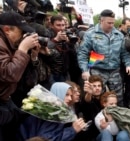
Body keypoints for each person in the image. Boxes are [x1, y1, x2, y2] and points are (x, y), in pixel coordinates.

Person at [77, 9, 130, 107]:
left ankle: (118, 119)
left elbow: (124, 53)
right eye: (109, 23)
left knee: (118, 98)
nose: (111, 25)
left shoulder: (118, 35)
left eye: (113, 23)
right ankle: (99, 120)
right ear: (101, 21)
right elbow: (82, 53)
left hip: (114, 71)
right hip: (97, 70)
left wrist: (128, 64)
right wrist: (84, 70)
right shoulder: (91, 34)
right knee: (97, 98)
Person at [0, 11, 39, 141]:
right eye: (21, 32)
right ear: (7, 30)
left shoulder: (7, 42)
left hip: (6, 97)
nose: (23, 36)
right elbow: (9, 74)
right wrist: (22, 49)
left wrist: (32, 55)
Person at [18, 82, 87, 141]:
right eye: (66, 95)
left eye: (71, 95)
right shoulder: (52, 112)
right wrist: (72, 130)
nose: (70, 98)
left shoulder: (49, 108)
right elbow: (46, 139)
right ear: (58, 93)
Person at [73, 75, 104, 141]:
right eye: (94, 86)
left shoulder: (104, 98)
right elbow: (87, 101)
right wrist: (89, 93)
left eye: (99, 86)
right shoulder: (87, 99)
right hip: (91, 134)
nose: (97, 88)